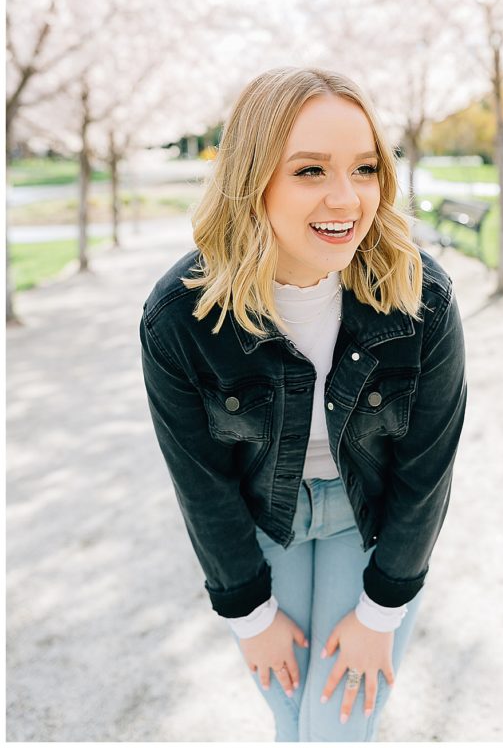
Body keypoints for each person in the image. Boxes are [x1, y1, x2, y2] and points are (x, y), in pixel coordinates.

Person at [139, 67, 467, 742]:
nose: (346, 199)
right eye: (310, 171)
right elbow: (201, 483)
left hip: (365, 518)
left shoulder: (420, 297)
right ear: (251, 177)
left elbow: (424, 473)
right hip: (267, 519)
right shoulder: (179, 319)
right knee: (298, 721)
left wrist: (382, 613)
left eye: (365, 167)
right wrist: (248, 616)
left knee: (334, 728)